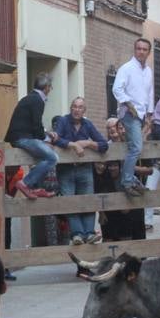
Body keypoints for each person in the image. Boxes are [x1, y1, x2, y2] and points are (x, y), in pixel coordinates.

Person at [52, 97, 108, 245]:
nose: (77, 110)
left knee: (88, 200)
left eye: (80, 107)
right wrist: (73, 145)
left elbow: (104, 145)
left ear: (84, 110)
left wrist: (88, 143)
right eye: (74, 107)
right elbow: (56, 139)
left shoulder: (87, 124)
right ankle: (77, 234)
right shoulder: (63, 121)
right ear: (71, 109)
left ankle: (89, 233)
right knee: (70, 202)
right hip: (66, 169)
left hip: (84, 169)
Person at [4, 73, 59, 199]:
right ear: (47, 87)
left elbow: (31, 123)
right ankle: (25, 183)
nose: (50, 90)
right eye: (50, 88)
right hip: (22, 138)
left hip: (19, 136)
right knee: (52, 158)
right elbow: (36, 124)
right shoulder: (38, 100)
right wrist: (47, 139)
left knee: (42, 158)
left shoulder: (30, 98)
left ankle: (35, 188)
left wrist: (45, 133)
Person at [111, 38, 154, 196]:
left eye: (144, 49)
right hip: (129, 113)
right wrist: (129, 105)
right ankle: (128, 181)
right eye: (139, 49)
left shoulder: (148, 71)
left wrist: (149, 114)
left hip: (142, 114)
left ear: (149, 52)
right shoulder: (126, 68)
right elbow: (116, 89)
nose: (141, 52)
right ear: (134, 50)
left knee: (134, 147)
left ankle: (132, 180)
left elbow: (149, 93)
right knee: (136, 147)